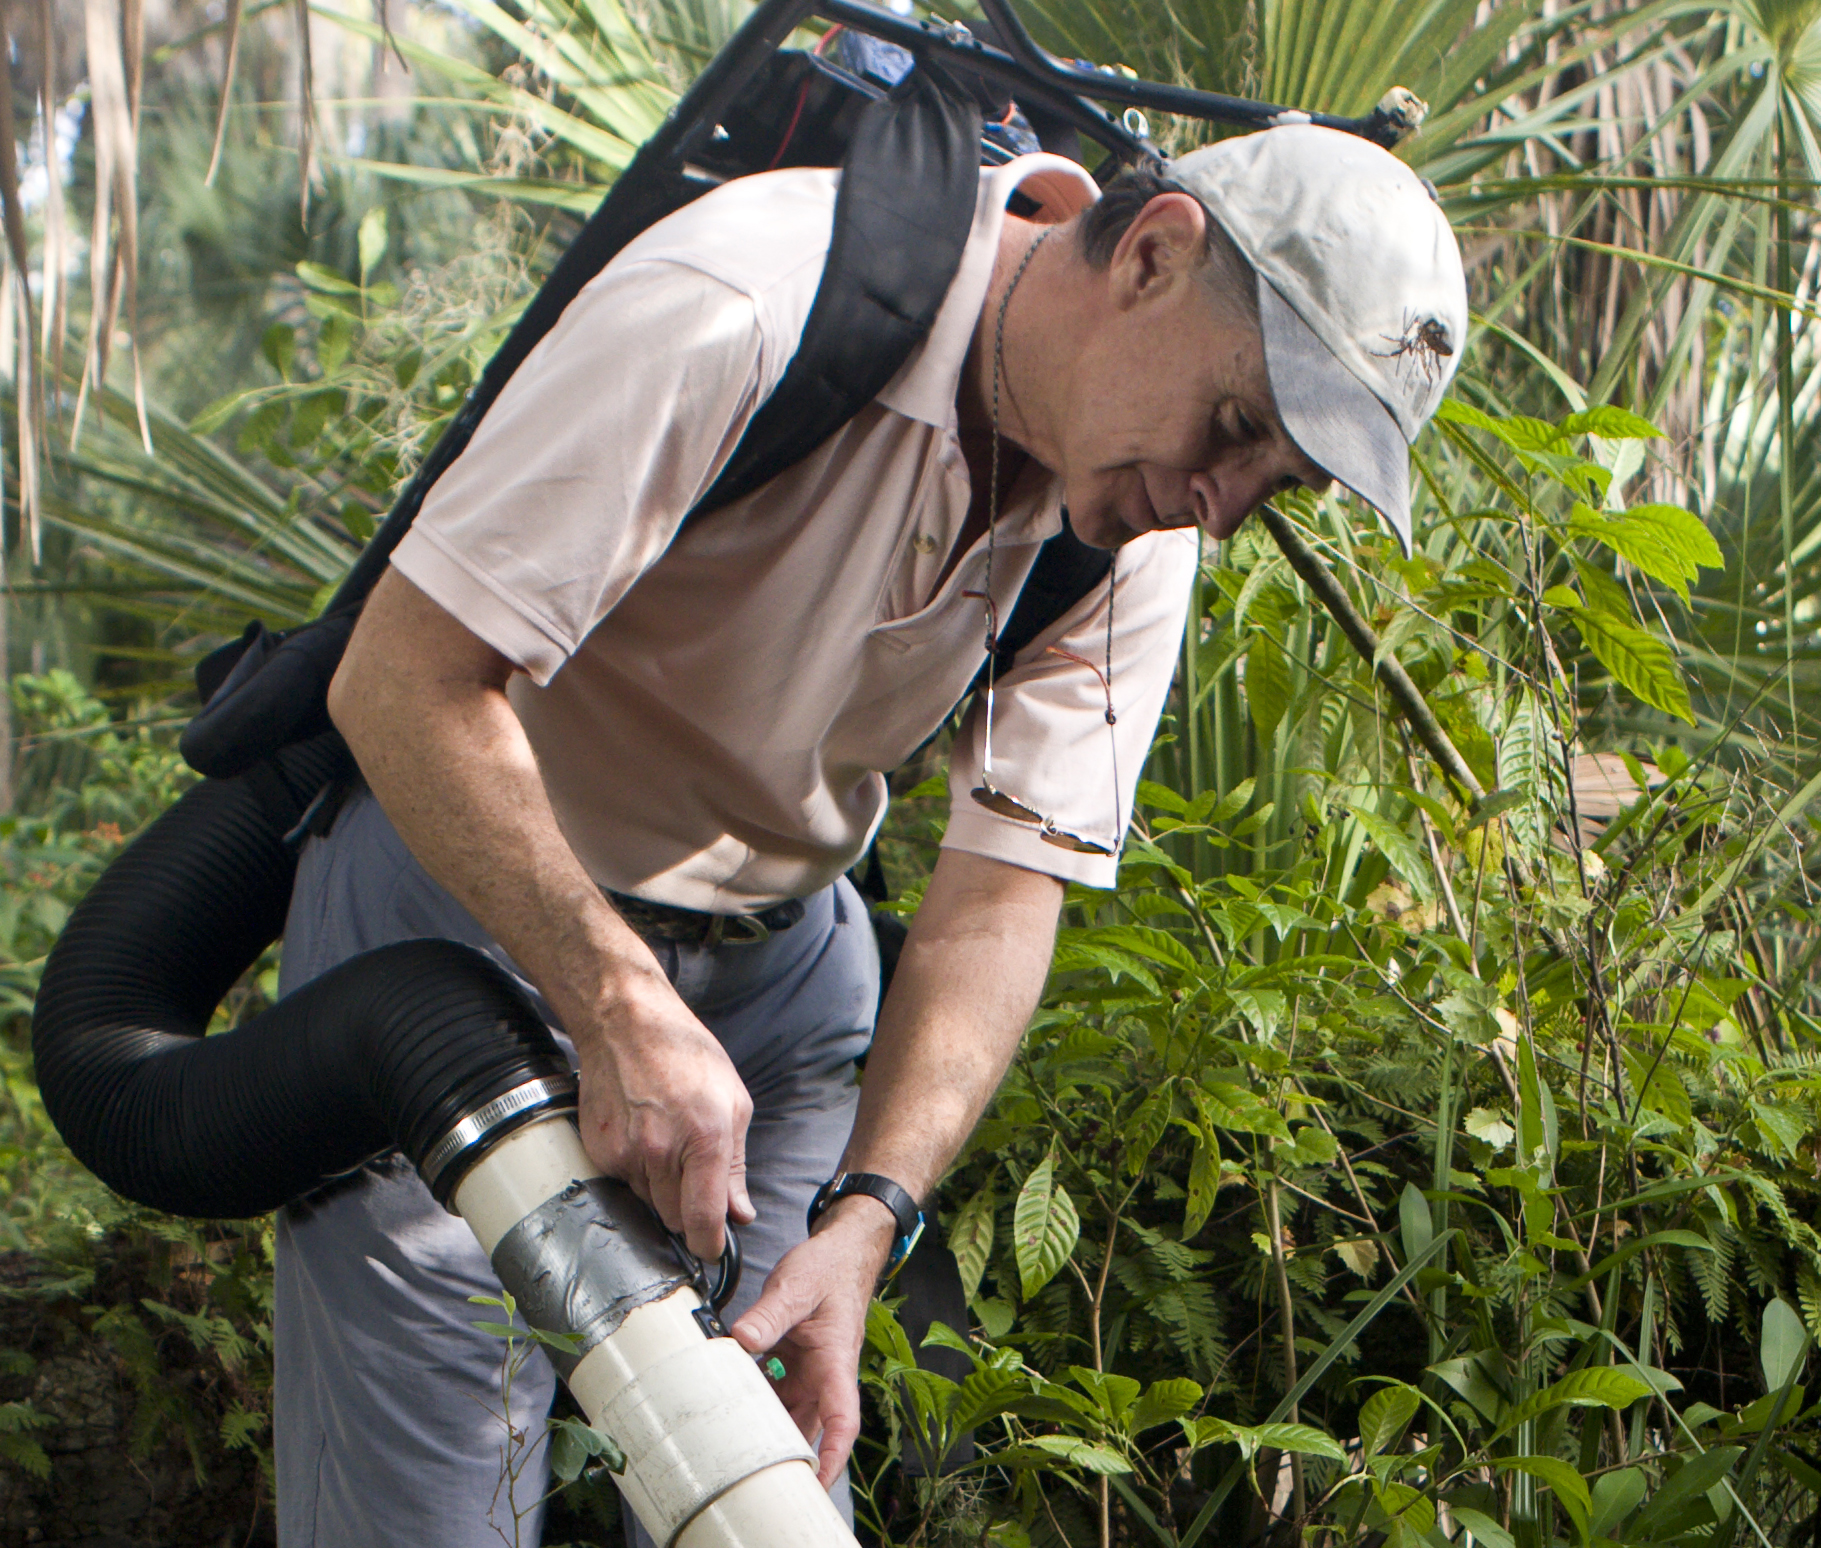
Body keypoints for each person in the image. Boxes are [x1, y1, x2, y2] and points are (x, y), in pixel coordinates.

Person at [271, 119, 1466, 1546]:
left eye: (1277, 480)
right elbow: (400, 682)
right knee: (434, 1502)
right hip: (459, 948)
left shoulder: (1126, 530)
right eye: (1236, 425)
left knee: (766, 1502)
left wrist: (865, 1218)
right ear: (1153, 255)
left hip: (779, 984)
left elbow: (1000, 897)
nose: (1220, 505)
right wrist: (613, 1003)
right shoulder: (743, 304)